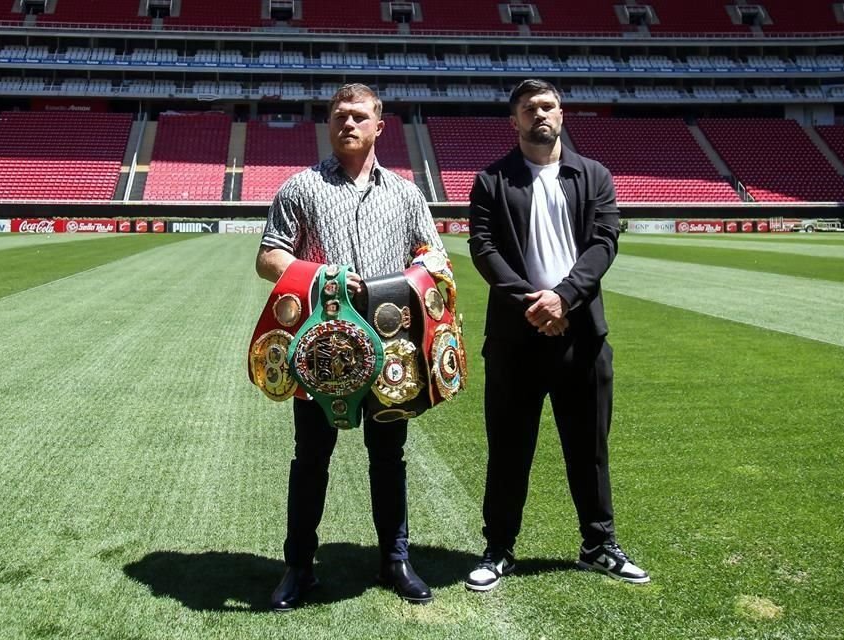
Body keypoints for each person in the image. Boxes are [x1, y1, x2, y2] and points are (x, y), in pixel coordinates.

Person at [256, 83, 444, 609]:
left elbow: (434, 259)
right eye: (340, 116)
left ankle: (395, 561)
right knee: (310, 458)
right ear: (329, 122)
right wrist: (328, 275)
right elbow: (269, 258)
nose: (348, 124)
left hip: (393, 353)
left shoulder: (407, 194)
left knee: (389, 457)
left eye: (359, 116)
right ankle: (298, 567)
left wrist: (408, 280)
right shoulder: (300, 188)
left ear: (379, 126)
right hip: (321, 350)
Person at [464, 79, 650, 592]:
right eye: (529, 109)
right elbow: (483, 248)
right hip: (515, 338)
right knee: (508, 448)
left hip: (582, 337)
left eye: (547, 106)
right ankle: (498, 548)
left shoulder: (594, 176)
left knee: (589, 448)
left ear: (562, 114)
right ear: (514, 121)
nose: (539, 115)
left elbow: (604, 243)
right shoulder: (490, 180)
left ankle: (598, 545)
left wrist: (563, 298)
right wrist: (535, 303)